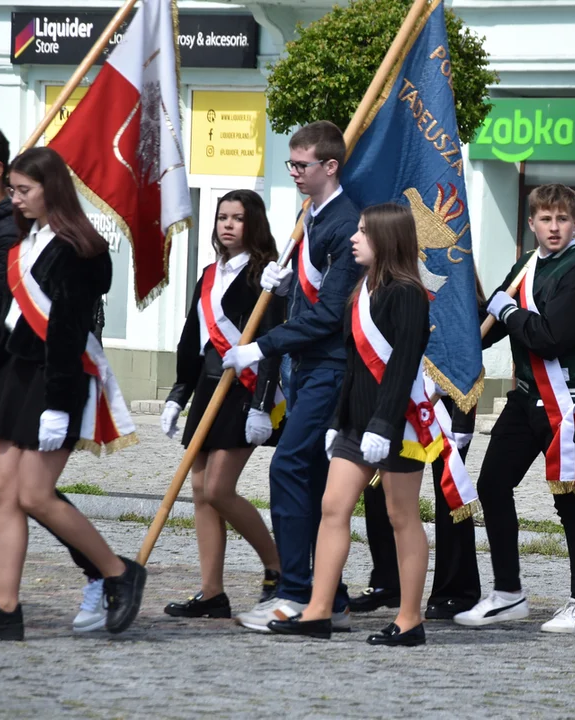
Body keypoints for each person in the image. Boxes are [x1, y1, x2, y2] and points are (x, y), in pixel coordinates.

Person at [0, 147, 144, 641]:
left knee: (36, 494)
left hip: (54, 379)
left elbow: (67, 333)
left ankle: (116, 571)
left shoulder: (79, 249)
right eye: (14, 191)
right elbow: (13, 318)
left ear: (54, 190)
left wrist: (58, 405)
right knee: (5, 492)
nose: (16, 200)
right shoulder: (27, 243)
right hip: (15, 377)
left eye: (25, 190)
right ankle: (6, 607)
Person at [266, 202, 431, 646]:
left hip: (399, 423)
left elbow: (401, 366)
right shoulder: (362, 290)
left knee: (401, 516)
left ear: (386, 239)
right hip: (357, 423)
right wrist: (340, 423)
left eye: (363, 232)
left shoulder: (408, 294)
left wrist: (382, 424)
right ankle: (319, 611)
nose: (354, 238)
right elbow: (355, 366)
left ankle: (410, 618)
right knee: (332, 507)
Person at [224, 121, 361, 631]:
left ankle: (297, 591)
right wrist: (282, 292)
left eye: (303, 165)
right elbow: (311, 298)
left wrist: (260, 346)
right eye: (291, 164)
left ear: (330, 166)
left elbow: (330, 316)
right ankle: (334, 595)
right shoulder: (311, 215)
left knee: (288, 468)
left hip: (331, 366)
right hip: (307, 367)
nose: (295, 173)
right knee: (315, 479)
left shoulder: (346, 223)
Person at [453, 184, 575, 633]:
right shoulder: (527, 264)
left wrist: (509, 311)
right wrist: (463, 338)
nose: (553, 228)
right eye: (545, 219)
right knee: (493, 485)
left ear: (574, 223)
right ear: (532, 223)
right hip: (523, 397)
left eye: (562, 219)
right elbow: (493, 320)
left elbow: (550, 335)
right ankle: (508, 592)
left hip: (564, 402)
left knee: (568, 500)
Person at [159, 190, 285, 620]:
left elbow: (272, 344)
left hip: (244, 391)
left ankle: (277, 566)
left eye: (237, 218)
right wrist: (178, 394)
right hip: (208, 388)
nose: (227, 225)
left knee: (219, 489)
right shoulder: (210, 273)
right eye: (221, 218)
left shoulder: (265, 276)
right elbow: (191, 338)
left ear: (254, 224)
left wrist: (262, 404)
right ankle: (212, 593)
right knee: (199, 493)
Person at [350, 277, 487, 620]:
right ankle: (387, 579)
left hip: (447, 395)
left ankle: (456, 589)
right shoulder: (388, 276)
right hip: (400, 392)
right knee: (379, 488)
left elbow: (471, 324)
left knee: (450, 492)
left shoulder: (448, 259)